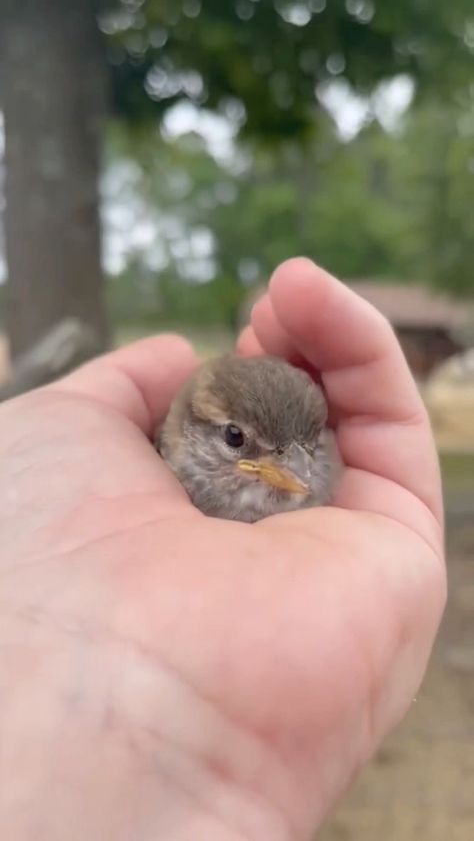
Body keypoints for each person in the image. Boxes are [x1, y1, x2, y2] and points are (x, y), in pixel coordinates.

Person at [0, 259, 445, 840]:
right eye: (239, 441)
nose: (293, 471)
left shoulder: (326, 481)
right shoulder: (159, 449)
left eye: (307, 449)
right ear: (192, 430)